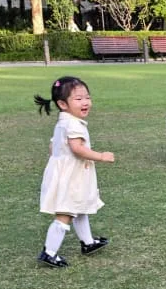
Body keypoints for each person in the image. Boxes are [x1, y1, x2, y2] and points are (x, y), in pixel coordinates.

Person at [34, 76, 114, 269]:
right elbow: (77, 148)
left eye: (87, 97)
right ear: (63, 104)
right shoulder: (73, 124)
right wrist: (101, 156)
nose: (85, 102)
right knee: (66, 213)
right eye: (78, 99)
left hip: (69, 173)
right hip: (71, 176)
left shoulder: (64, 121)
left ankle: (88, 242)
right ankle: (49, 252)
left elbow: (52, 146)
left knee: (80, 208)